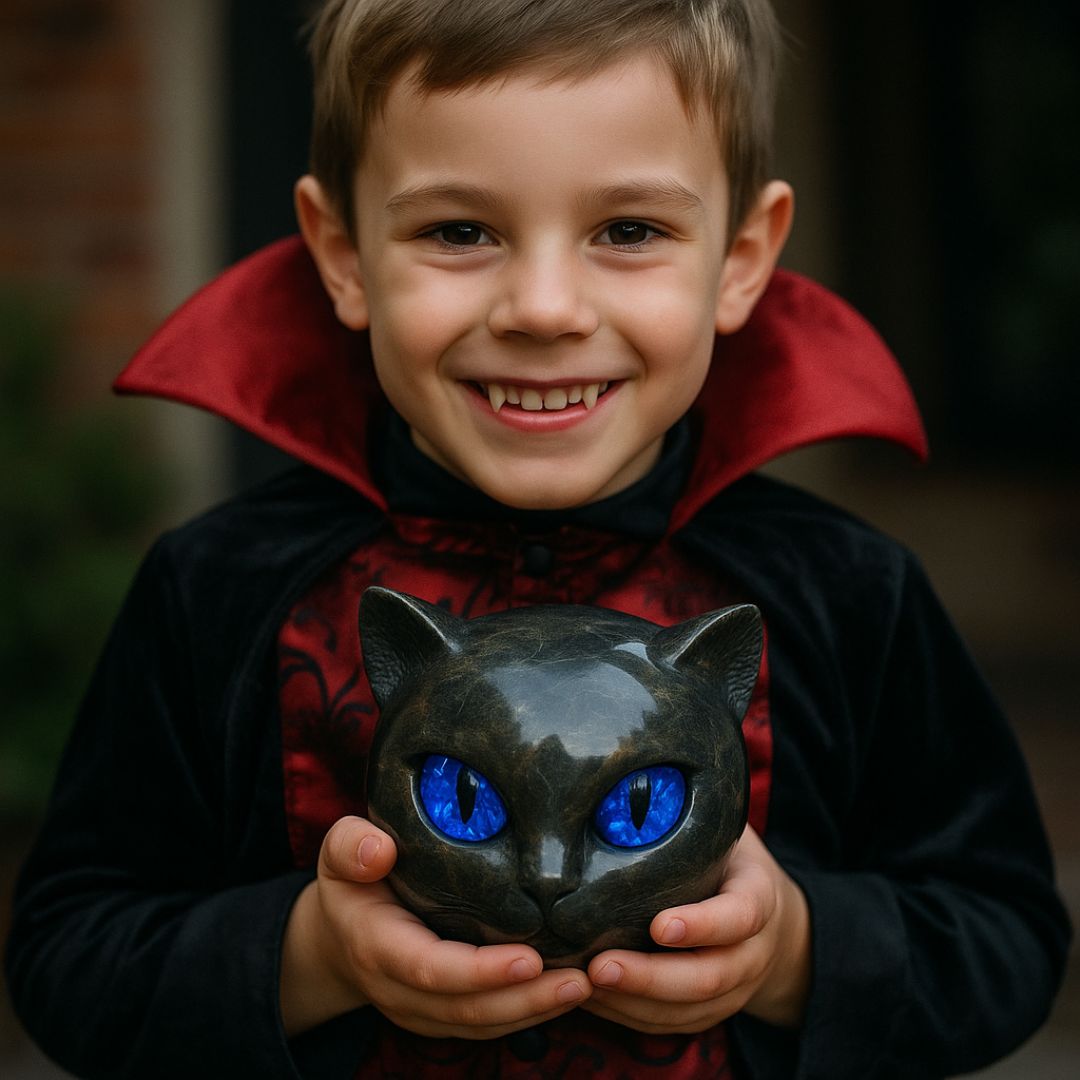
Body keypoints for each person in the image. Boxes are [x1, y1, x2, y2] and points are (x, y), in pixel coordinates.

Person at [5, 0, 1069, 1077]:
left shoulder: (847, 591)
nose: (545, 308)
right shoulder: (219, 590)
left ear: (743, 257)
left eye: (629, 231)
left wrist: (793, 950)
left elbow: (1006, 935)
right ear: (344, 254)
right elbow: (70, 955)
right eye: (459, 231)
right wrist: (311, 956)